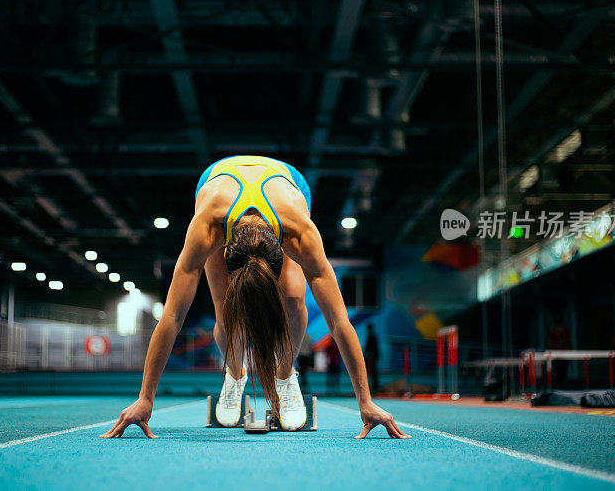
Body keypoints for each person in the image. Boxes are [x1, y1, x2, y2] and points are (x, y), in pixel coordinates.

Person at [100, 155, 409, 439]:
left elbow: (339, 319)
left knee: (293, 297)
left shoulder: (299, 233)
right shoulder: (208, 227)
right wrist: (145, 398)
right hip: (215, 186)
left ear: (285, 252)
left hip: (289, 184)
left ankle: (286, 375)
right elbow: (172, 316)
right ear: (224, 253)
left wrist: (366, 402)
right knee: (225, 308)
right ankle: (234, 374)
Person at [364, 324, 380, 393]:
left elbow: (373, 348)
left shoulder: (372, 337)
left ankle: (374, 388)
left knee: (373, 372)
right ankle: (371, 387)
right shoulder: (370, 336)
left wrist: (372, 356)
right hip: (370, 357)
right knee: (370, 372)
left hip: (371, 357)